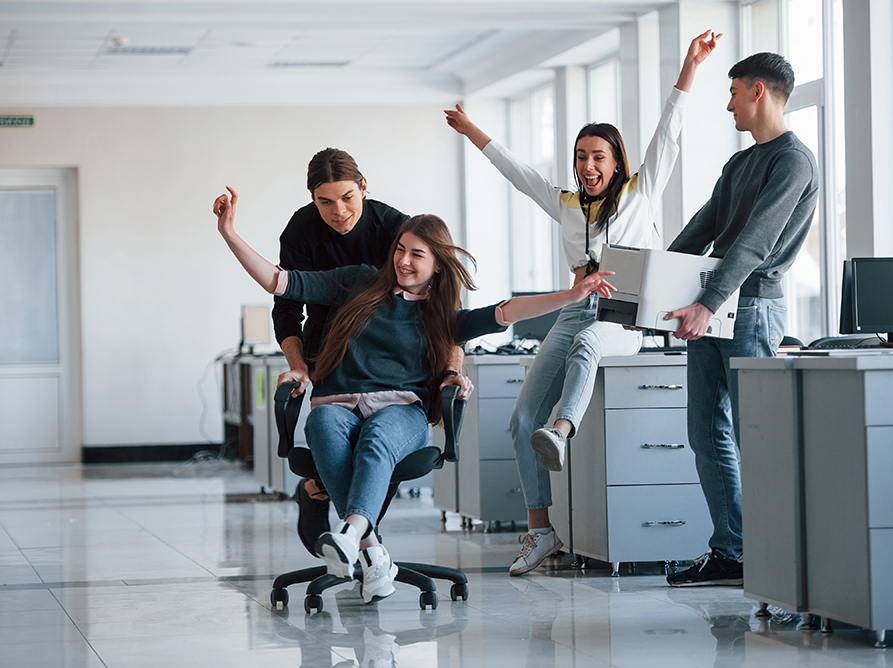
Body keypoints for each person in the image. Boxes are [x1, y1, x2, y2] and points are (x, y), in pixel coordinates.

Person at [214, 187, 618, 601]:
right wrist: (229, 233)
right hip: (337, 402)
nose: (403, 261)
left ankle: (352, 535)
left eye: (417, 254)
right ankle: (371, 552)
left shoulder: (441, 316)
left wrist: (572, 295)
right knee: (322, 422)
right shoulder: (357, 281)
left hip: (400, 410)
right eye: (401, 249)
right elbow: (279, 281)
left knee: (375, 441)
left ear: (438, 266)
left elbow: (508, 311)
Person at [444, 30, 720, 576]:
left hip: (624, 311)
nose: (587, 166)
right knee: (522, 419)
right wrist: (471, 129)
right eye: (580, 157)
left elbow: (669, 131)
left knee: (592, 343)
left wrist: (689, 66)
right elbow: (516, 172)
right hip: (574, 307)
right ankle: (540, 531)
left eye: (598, 156)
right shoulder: (567, 204)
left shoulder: (642, 192)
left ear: (616, 161)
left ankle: (564, 429)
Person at [663, 52, 818, 587]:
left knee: (757, 434)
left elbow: (756, 243)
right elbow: (699, 230)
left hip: (750, 309)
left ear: (758, 91)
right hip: (712, 306)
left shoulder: (793, 161)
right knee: (705, 432)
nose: (728, 103)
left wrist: (707, 304)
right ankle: (732, 550)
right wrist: (646, 288)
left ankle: (778, 554)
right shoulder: (739, 163)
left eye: (732, 92)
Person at [271, 149, 469, 557]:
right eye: (324, 201)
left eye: (347, 197)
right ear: (312, 199)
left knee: (380, 447)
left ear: (363, 187)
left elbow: (446, 309)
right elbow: (287, 305)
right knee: (335, 435)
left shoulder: (395, 229)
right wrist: (298, 366)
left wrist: (450, 370)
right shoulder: (302, 230)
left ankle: (339, 519)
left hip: (393, 354)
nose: (338, 211)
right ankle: (368, 547)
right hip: (329, 350)